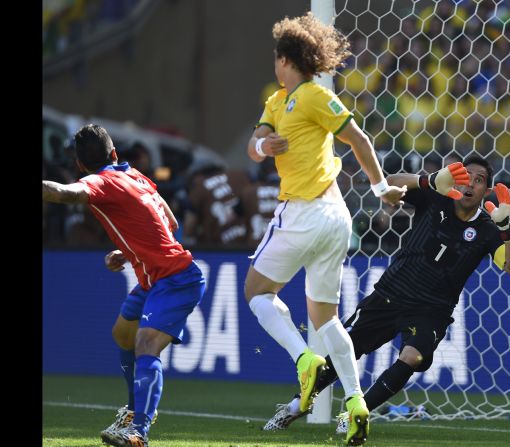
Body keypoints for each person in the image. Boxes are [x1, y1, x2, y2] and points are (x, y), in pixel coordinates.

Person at [262, 155, 510, 434]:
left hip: (431, 311)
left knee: (412, 358)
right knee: (347, 349)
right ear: (457, 179)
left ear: (486, 191)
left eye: (479, 180)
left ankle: (352, 415)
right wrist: (427, 180)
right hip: (391, 294)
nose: (470, 184)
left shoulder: (488, 229)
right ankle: (293, 408)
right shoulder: (435, 197)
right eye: (467, 177)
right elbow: (388, 186)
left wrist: (506, 230)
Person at [243, 13, 406, 446]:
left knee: (257, 293)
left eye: (276, 58)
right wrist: (265, 145)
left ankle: (304, 360)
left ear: (285, 59)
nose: (274, 65)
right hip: (336, 219)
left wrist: (381, 187)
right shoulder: (279, 102)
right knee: (326, 319)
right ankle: (355, 403)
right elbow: (254, 146)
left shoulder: (315, 95)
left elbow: (358, 139)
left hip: (302, 212)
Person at [42, 124, 207, 447]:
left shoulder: (100, 182)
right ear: (114, 153)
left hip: (176, 278)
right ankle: (133, 412)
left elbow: (62, 193)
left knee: (145, 345)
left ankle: (139, 431)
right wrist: (129, 250)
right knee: (123, 333)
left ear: (79, 166)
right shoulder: (135, 176)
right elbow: (169, 221)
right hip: (154, 277)